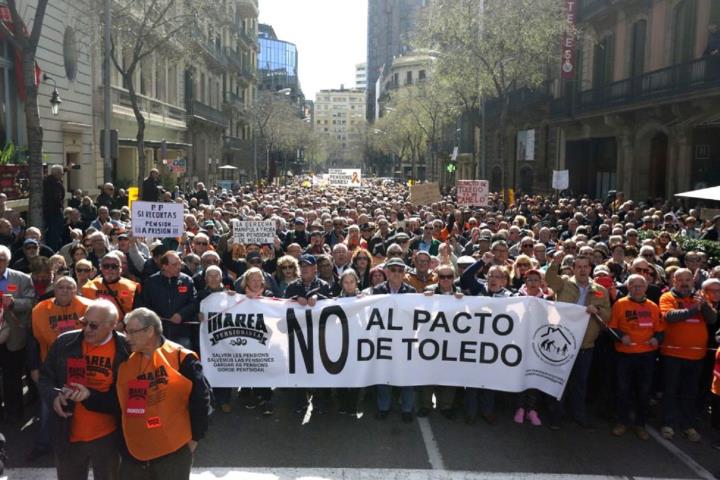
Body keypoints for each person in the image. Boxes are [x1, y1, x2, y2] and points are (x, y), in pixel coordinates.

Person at [39, 298, 130, 480]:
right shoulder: (64, 342)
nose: (87, 329)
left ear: (112, 325)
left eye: (94, 326)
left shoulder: (126, 348)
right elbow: (45, 378)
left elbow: (127, 397)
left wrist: (90, 396)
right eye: (84, 322)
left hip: (109, 437)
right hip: (68, 435)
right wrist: (54, 396)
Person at [117, 308, 211, 480]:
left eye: (131, 332)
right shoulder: (126, 363)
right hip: (135, 452)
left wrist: (195, 438)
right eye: (125, 332)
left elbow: (201, 400)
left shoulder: (181, 357)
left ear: (150, 331)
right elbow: (123, 406)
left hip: (174, 451)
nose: (127, 337)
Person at [546, 252, 611, 430]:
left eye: (585, 267)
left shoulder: (600, 290)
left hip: (585, 345)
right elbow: (550, 279)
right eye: (579, 266)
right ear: (574, 268)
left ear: (590, 268)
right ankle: (556, 415)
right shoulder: (564, 283)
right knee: (560, 382)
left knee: (580, 383)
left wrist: (597, 309)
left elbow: (607, 316)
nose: (582, 270)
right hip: (563, 344)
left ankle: (578, 415)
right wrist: (555, 263)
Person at [659, 268, 716, 442]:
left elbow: (712, 319)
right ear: (673, 281)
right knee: (670, 391)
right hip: (672, 355)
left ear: (693, 281)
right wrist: (694, 310)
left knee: (689, 392)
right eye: (680, 280)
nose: (685, 283)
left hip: (696, 356)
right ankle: (668, 423)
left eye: (688, 279)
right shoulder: (667, 297)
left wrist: (704, 306)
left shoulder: (701, 297)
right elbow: (670, 317)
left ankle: (687, 424)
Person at [608, 274, 664, 440]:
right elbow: (611, 328)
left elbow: (660, 331)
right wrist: (620, 336)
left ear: (646, 288)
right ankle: (622, 422)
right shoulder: (620, 304)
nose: (637, 288)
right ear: (628, 287)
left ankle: (640, 425)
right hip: (624, 356)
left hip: (646, 357)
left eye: (640, 286)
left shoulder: (653, 306)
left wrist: (656, 339)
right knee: (623, 390)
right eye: (633, 285)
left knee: (644, 392)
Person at [371, 257, 417, 422]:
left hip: (405, 342)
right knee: (384, 375)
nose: (396, 273)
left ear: (404, 273)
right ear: (387, 272)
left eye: (400, 270)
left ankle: (406, 409)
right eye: (393, 270)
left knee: (406, 376)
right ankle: (384, 407)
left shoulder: (412, 292)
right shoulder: (377, 291)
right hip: (384, 341)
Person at [419, 263, 463, 419]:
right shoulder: (429, 291)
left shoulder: (461, 294)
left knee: (449, 375)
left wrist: (462, 302)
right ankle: (426, 405)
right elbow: (420, 312)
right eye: (442, 276)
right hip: (430, 341)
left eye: (449, 276)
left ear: (454, 278)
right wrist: (426, 299)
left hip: (451, 342)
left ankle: (446, 406)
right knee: (428, 374)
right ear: (437, 278)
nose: (445, 280)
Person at [0, 244, 35, 422]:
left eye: (2, 260)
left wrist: (14, 303)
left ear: (8, 261)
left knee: (13, 376)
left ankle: (14, 413)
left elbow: (31, 302)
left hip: (14, 336)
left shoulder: (21, 278)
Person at [136, 251, 198, 349]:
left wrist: (181, 315)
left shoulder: (187, 281)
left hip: (181, 334)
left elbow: (194, 303)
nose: (179, 267)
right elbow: (143, 305)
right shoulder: (151, 282)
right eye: (174, 264)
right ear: (164, 266)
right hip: (158, 335)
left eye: (179, 263)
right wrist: (155, 317)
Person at [82, 252, 139, 325]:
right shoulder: (89, 287)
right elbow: (83, 313)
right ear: (101, 268)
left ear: (120, 269)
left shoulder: (132, 287)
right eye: (106, 266)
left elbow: (137, 313)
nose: (110, 269)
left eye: (114, 266)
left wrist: (123, 324)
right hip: (95, 329)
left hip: (121, 329)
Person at [42, 164, 66, 251]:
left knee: (57, 234)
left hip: (55, 211)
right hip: (53, 212)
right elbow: (56, 198)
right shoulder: (51, 183)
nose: (62, 175)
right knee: (53, 235)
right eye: (62, 173)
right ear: (57, 173)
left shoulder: (55, 182)